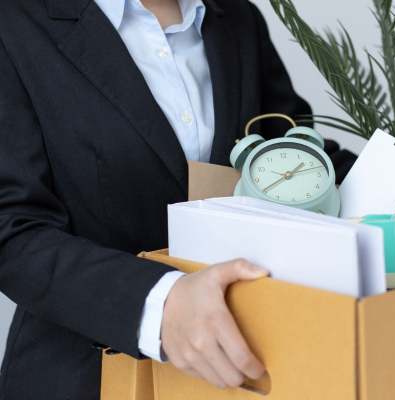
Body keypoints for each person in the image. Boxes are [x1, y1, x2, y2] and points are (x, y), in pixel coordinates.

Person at [0, 0, 357, 398]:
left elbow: (296, 155)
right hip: (84, 374)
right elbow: (11, 230)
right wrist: (160, 302)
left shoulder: (238, 17)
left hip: (244, 365)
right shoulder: (12, 24)